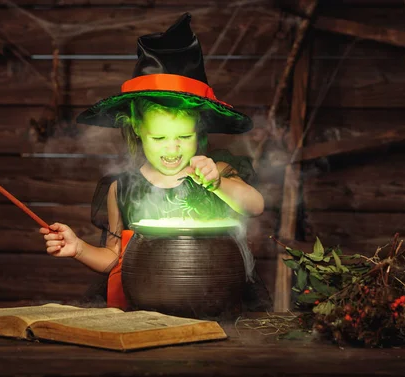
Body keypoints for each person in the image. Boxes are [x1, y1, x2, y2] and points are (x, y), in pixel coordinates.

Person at [40, 13, 268, 310]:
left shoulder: (216, 172)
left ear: (198, 129)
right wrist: (79, 248)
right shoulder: (121, 189)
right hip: (147, 309)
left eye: (183, 137)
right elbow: (115, 258)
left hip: (215, 304)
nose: (172, 149)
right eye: (159, 139)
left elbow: (256, 205)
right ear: (137, 127)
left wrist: (218, 183)